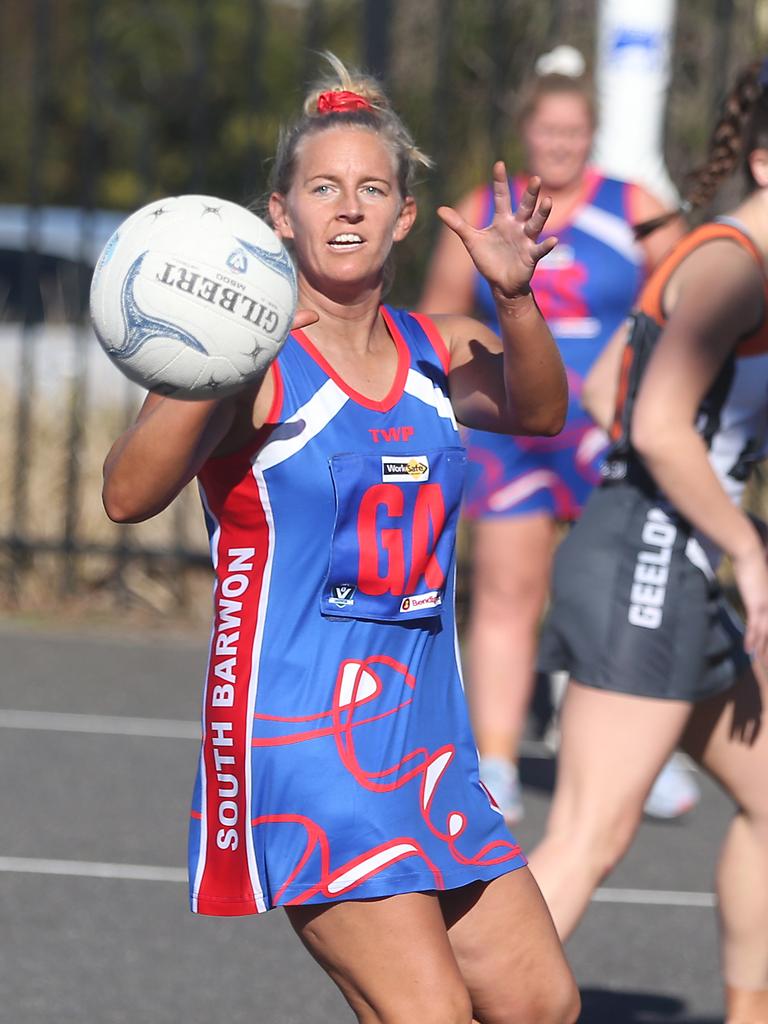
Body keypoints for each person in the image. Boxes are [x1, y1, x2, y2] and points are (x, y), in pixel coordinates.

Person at [102, 54, 579, 1024]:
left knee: (538, 1002)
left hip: (423, 735)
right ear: (280, 212)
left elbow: (538, 409)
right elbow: (125, 495)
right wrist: (193, 368)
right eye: (323, 187)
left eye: (372, 188)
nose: (348, 208)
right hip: (303, 733)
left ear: (407, 214)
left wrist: (515, 297)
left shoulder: (429, 349)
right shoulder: (246, 359)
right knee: (429, 1014)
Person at [528, 58, 768, 1023]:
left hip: (675, 554)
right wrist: (743, 548)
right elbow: (659, 427)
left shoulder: (713, 256)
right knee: (592, 833)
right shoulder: (729, 267)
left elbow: (604, 394)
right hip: (655, 558)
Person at [420, 45, 691, 823]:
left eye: (575, 132)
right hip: (511, 434)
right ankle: (498, 761)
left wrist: (638, 367)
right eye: (548, 130)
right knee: (509, 593)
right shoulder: (481, 208)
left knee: (616, 595)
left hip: (607, 429)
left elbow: (688, 298)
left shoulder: (633, 202)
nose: (561, 145)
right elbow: (440, 312)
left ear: (593, 134)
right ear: (527, 132)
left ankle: (643, 750)